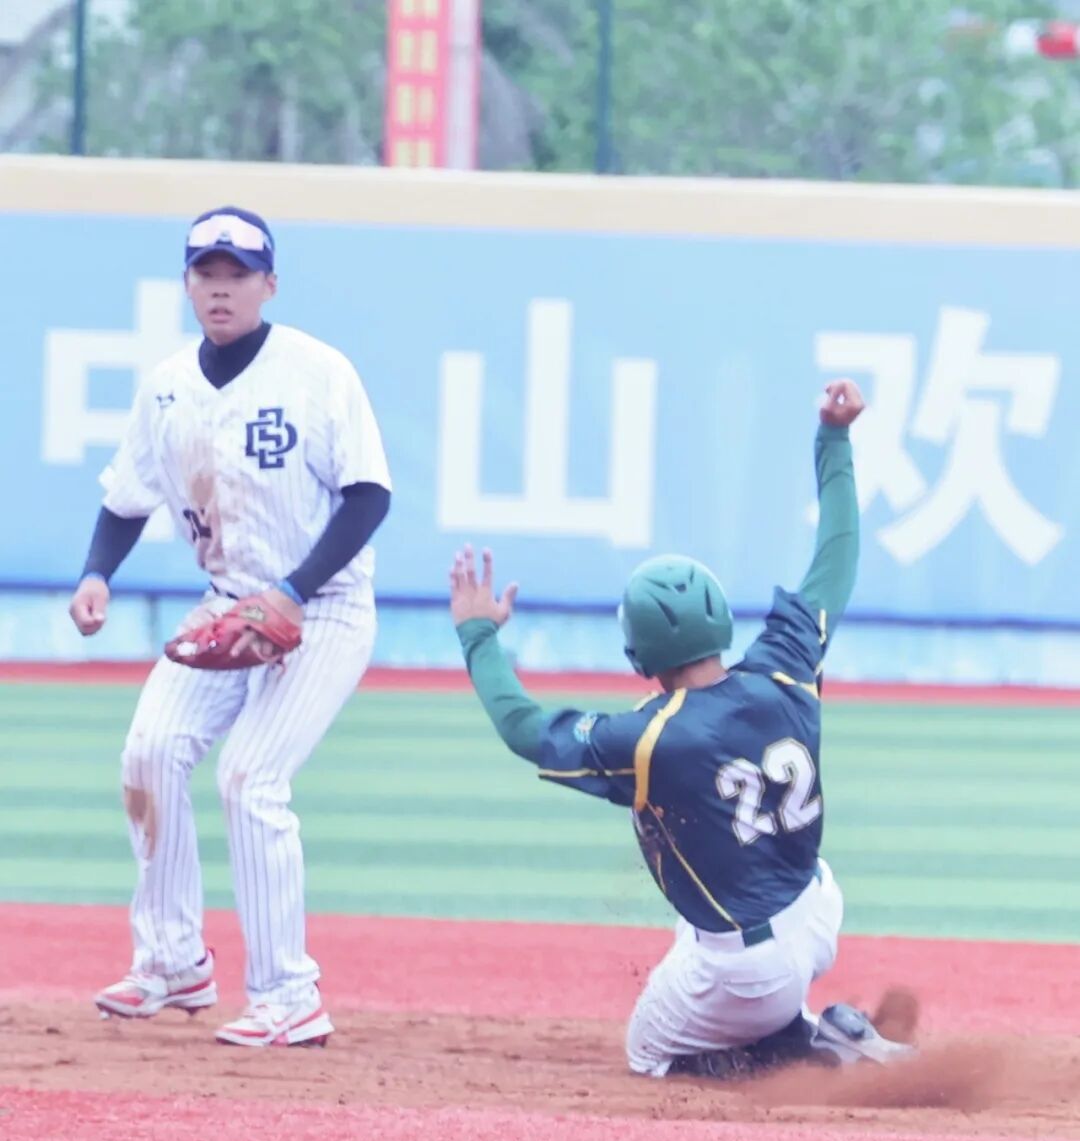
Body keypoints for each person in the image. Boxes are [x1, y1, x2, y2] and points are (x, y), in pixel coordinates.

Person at [448, 378, 912, 1079]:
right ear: (719, 618)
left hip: (749, 970)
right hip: (818, 912)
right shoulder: (784, 666)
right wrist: (834, 438)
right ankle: (811, 1027)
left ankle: (812, 1054)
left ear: (639, 656)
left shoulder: (648, 739)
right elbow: (836, 558)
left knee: (650, 1053)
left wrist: (479, 636)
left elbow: (524, 730)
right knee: (701, 926)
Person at [69, 206, 391, 1048]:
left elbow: (369, 497)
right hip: (228, 602)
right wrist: (97, 573)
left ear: (268, 284)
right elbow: (126, 497)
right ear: (187, 284)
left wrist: (293, 592)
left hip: (324, 607)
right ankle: (173, 961)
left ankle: (289, 994)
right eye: (206, 272)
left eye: (238, 273)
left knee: (250, 778)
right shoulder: (168, 387)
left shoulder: (318, 373)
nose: (221, 288)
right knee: (148, 752)